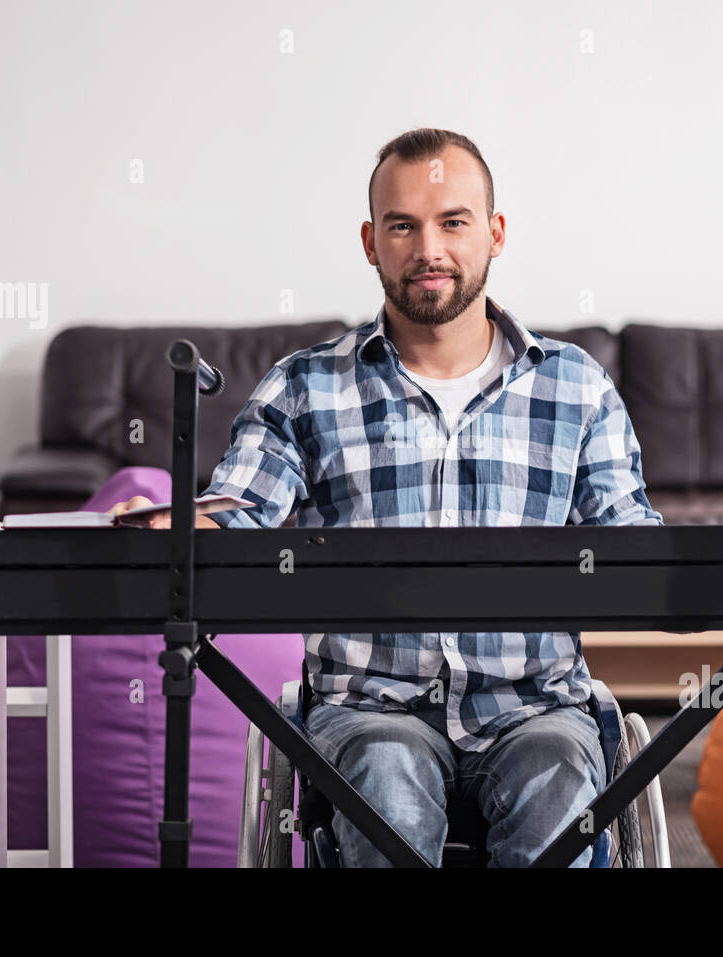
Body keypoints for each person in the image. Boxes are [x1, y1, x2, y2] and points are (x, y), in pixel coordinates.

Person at [112, 127, 663, 867]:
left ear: (495, 234)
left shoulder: (577, 387)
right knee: (387, 781)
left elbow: (635, 544)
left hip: (536, 706)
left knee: (559, 784)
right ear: (372, 241)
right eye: (403, 225)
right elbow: (241, 511)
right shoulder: (304, 386)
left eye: (453, 222)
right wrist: (179, 527)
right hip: (370, 707)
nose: (428, 248)